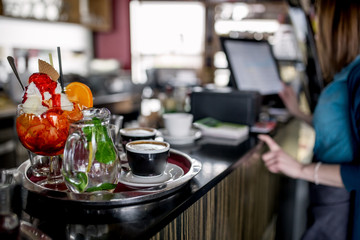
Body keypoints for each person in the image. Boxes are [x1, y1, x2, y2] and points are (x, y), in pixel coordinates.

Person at [259, 1, 360, 239]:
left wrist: (301, 169)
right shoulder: (349, 72)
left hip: (341, 201)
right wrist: (298, 112)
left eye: (317, 23)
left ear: (338, 27)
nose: (316, 33)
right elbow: (343, 132)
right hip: (330, 195)